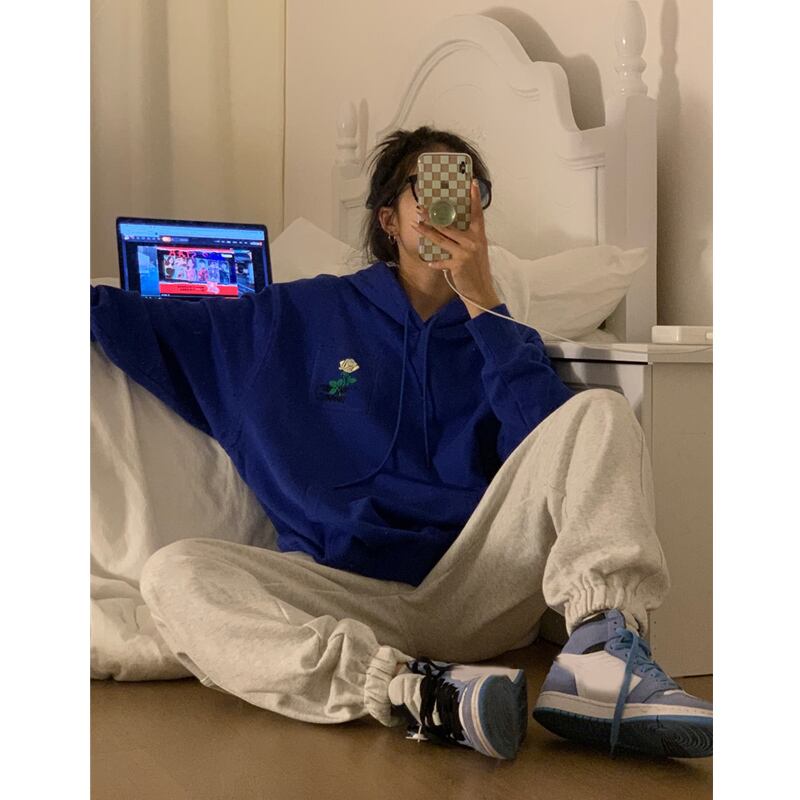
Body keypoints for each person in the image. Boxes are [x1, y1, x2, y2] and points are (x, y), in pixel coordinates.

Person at [90, 126, 712, 761]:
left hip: (476, 586)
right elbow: (151, 324)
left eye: (467, 188)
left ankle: (601, 665)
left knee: (599, 411)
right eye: (432, 185)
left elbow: (550, 454)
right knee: (175, 573)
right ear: (389, 218)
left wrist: (484, 303)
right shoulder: (295, 316)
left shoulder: (502, 334)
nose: (452, 202)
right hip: (343, 594)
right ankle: (417, 694)